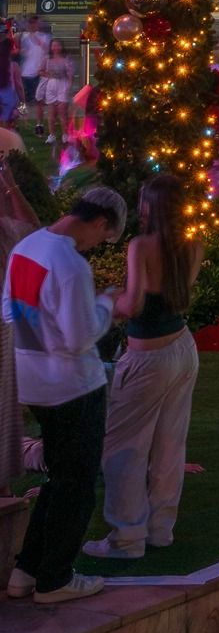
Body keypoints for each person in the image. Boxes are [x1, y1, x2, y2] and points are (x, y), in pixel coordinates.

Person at [4, 184, 126, 603]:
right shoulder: (70, 264)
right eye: (103, 238)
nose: (98, 245)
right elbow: (78, 336)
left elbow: (13, 311)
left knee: (59, 476)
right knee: (77, 482)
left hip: (33, 376)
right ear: (100, 222)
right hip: (73, 384)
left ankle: (27, 569)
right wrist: (107, 304)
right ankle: (56, 577)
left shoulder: (29, 246)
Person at [86, 185, 200, 559]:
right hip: (183, 348)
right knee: (170, 444)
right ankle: (160, 530)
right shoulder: (193, 244)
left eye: (142, 204)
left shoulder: (141, 245)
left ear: (153, 207)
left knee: (123, 446)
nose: (139, 211)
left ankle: (126, 538)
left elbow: (133, 305)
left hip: (148, 356)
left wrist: (106, 298)